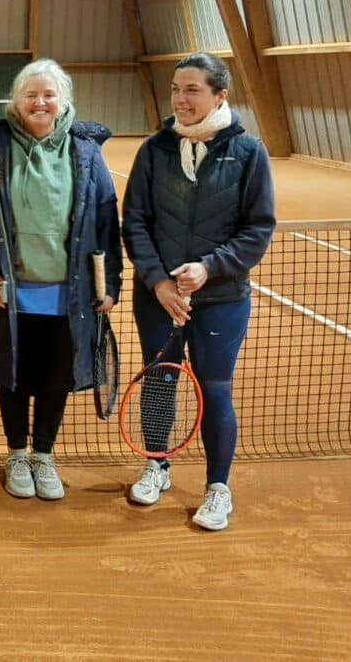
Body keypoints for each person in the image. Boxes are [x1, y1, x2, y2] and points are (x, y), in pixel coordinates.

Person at [122, 51, 275, 531]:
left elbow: (258, 229)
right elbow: (135, 223)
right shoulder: (155, 150)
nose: (180, 99)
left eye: (192, 89)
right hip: (158, 298)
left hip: (221, 299)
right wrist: (159, 281)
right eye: (175, 89)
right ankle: (157, 465)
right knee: (160, 380)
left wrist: (209, 268)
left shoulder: (248, 152)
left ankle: (217, 488)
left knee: (216, 388)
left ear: (219, 95)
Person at [0, 59, 121, 501]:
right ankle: (17, 454)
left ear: (63, 100)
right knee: (13, 377)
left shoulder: (87, 152)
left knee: (56, 378)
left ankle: (43, 455)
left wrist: (110, 283)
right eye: (31, 94)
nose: (40, 102)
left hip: (68, 293)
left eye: (49, 94)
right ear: (16, 101)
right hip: (10, 291)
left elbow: (106, 221)